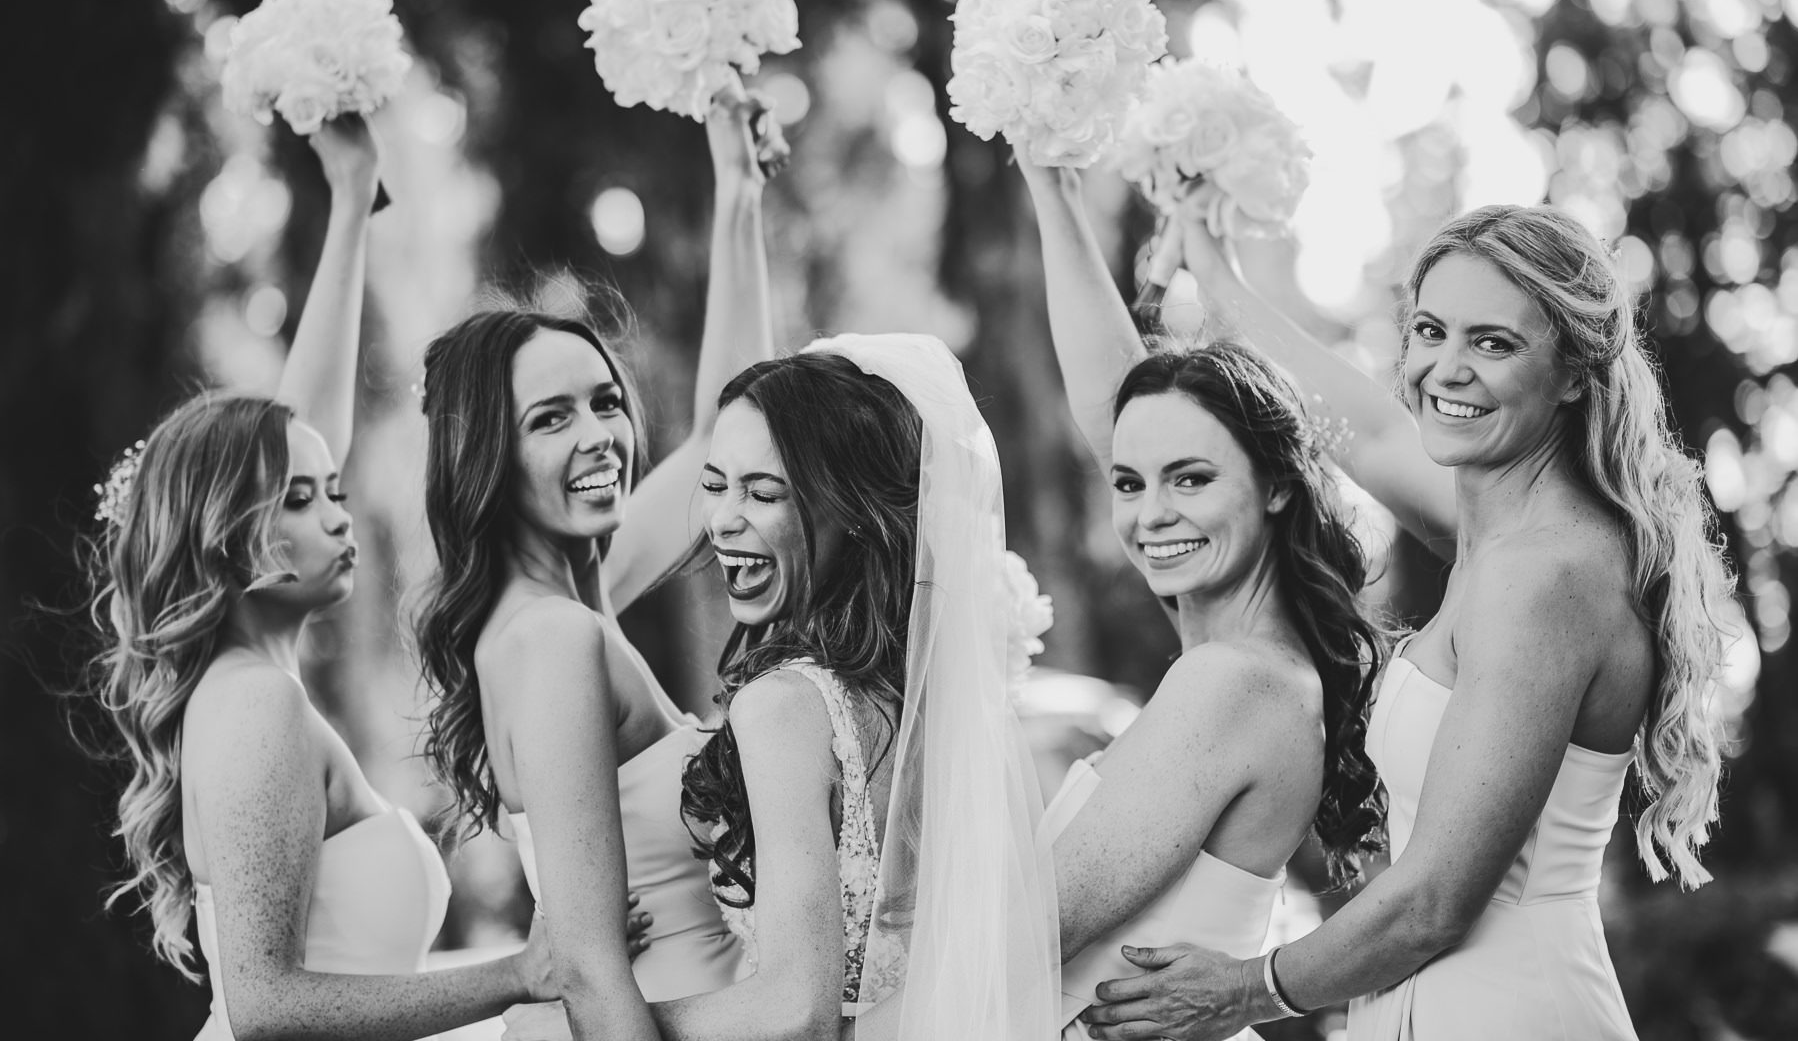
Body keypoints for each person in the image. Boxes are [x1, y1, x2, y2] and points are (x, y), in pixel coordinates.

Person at [1076, 199, 1732, 1040]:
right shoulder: (1501, 531)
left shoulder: (1542, 576)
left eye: (1492, 343)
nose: (1446, 370)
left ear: (1574, 373)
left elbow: (1435, 902)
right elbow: (1366, 426)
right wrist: (1211, 265)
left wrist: (1243, 989)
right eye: (1429, 332)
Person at [85, 117, 554, 1041]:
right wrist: (522, 975)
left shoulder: (247, 687)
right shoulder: (256, 706)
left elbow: (301, 429)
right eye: (302, 499)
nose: (337, 515)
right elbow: (268, 1007)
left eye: (334, 490)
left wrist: (350, 201)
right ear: (227, 532)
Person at [503, 334, 1061, 1041]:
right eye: (714, 485)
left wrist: (565, 1030)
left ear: (852, 510)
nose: (721, 520)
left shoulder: (786, 706)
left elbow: (797, 1011)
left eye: (763, 493)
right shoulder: (934, 699)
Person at [414, 92, 780, 1041]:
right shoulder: (552, 638)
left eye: (605, 402)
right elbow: (586, 970)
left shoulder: (585, 594)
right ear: (486, 458)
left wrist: (738, 192)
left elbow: (725, 428)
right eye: (551, 418)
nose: (599, 437)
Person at [1015, 158, 1386, 1040]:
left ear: (1277, 485)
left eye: (1190, 479)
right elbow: (1116, 408)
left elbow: (1026, 929)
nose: (1152, 515)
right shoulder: (1254, 660)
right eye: (1128, 483)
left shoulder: (1232, 681)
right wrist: (1052, 185)